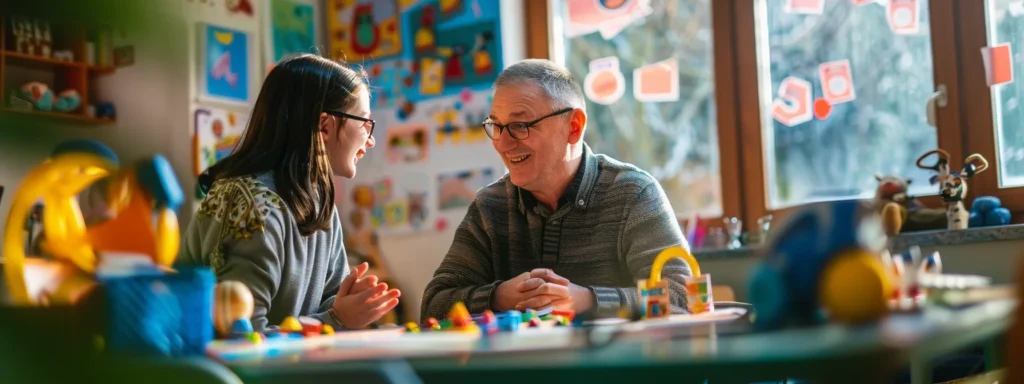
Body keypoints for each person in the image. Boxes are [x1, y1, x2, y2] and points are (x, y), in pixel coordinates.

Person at [421, 59, 691, 321]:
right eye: (496, 126)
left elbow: (684, 297)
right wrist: (499, 297)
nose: (503, 144)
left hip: (614, 365)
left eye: (520, 125)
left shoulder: (634, 193)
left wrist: (589, 300)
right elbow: (433, 305)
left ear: (573, 127)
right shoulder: (489, 206)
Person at [179, 54, 400, 331]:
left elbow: (330, 305)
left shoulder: (320, 203)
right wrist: (338, 319)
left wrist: (352, 306)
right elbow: (240, 335)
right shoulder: (254, 206)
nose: (370, 139)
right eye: (364, 123)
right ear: (325, 126)